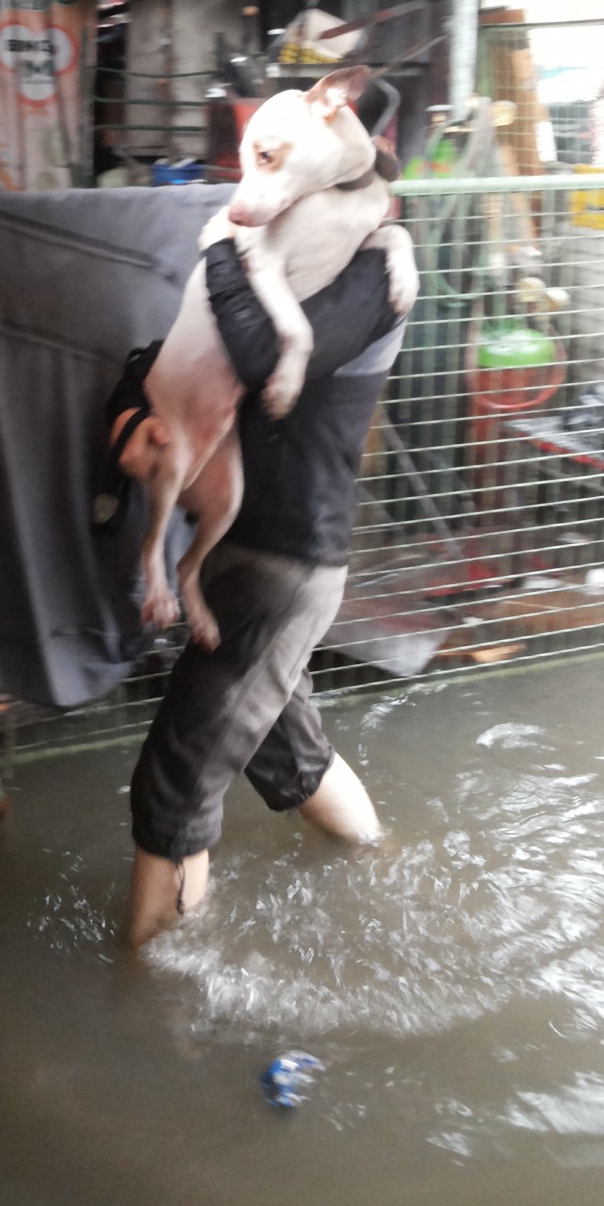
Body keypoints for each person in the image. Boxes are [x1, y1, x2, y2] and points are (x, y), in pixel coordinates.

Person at [111, 234, 409, 947]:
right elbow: (165, 361)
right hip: (246, 565)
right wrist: (130, 416)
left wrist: (223, 250)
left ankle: (158, 999)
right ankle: (388, 873)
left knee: (175, 785)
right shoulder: (283, 265)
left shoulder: (374, 272)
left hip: (285, 570)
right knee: (290, 754)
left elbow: (265, 359)